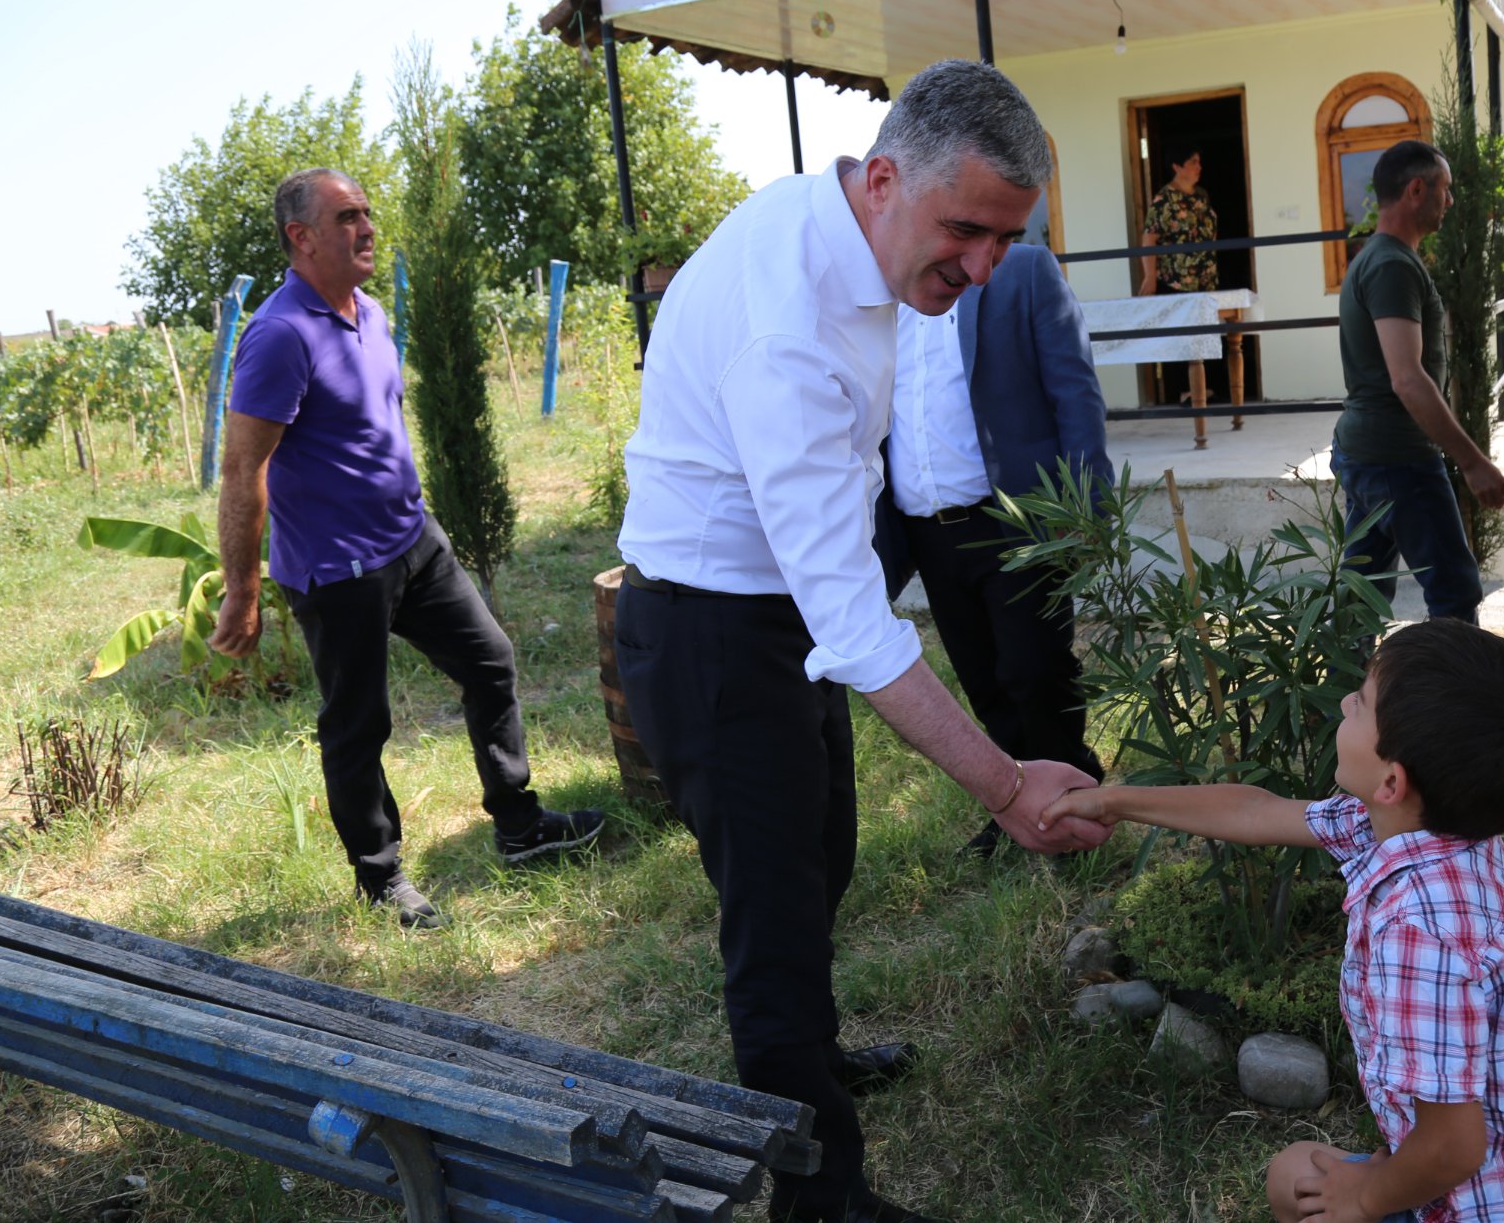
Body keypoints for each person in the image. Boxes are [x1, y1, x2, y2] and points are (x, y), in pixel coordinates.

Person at [611, 60, 1111, 1223]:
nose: (982, 268)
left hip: (764, 613)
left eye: (1005, 239)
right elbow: (850, 617)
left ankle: (812, 1065)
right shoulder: (787, 329)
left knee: (821, 854)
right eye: (965, 231)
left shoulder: (841, 223)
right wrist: (1004, 786)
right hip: (710, 631)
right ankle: (820, 1196)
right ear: (883, 180)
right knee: (775, 922)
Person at [1041, 620, 1504, 1223]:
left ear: (1392, 780)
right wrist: (1114, 800)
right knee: (1295, 1175)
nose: (1343, 703)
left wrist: (1363, 1197)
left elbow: (1452, 1148)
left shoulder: (1420, 932)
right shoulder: (1436, 828)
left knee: (1303, 1185)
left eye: (1361, 703)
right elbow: (1256, 811)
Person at [209, 168, 603, 931]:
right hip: (337, 570)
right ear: (301, 237)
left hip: (412, 541)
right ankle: (380, 876)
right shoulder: (280, 335)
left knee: (490, 661)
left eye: (366, 212)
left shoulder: (373, 314)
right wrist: (242, 590)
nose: (366, 227)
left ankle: (520, 826)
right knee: (359, 725)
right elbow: (242, 468)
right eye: (346, 217)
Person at [875, 242, 1113, 858]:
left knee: (1035, 671)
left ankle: (1071, 805)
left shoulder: (1023, 271)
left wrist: (1088, 507)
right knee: (983, 680)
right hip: (927, 527)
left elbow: (1075, 391)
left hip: (1015, 517)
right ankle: (1015, 807)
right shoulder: (884, 290)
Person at [1329, 142, 1504, 624]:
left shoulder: (1376, 258)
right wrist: (1472, 462)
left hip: (1369, 453)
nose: (1449, 201)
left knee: (1361, 597)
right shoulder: (1391, 266)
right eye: (1444, 189)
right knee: (1455, 592)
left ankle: (1344, 676)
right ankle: (1451, 678)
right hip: (1399, 458)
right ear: (1416, 189)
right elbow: (1408, 380)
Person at [1138, 141, 1218, 296]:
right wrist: (1150, 277)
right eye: (1193, 162)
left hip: (1206, 281)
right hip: (1176, 284)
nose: (1199, 167)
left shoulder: (1202, 195)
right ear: (1177, 166)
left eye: (1199, 162)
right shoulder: (1164, 199)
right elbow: (1149, 239)